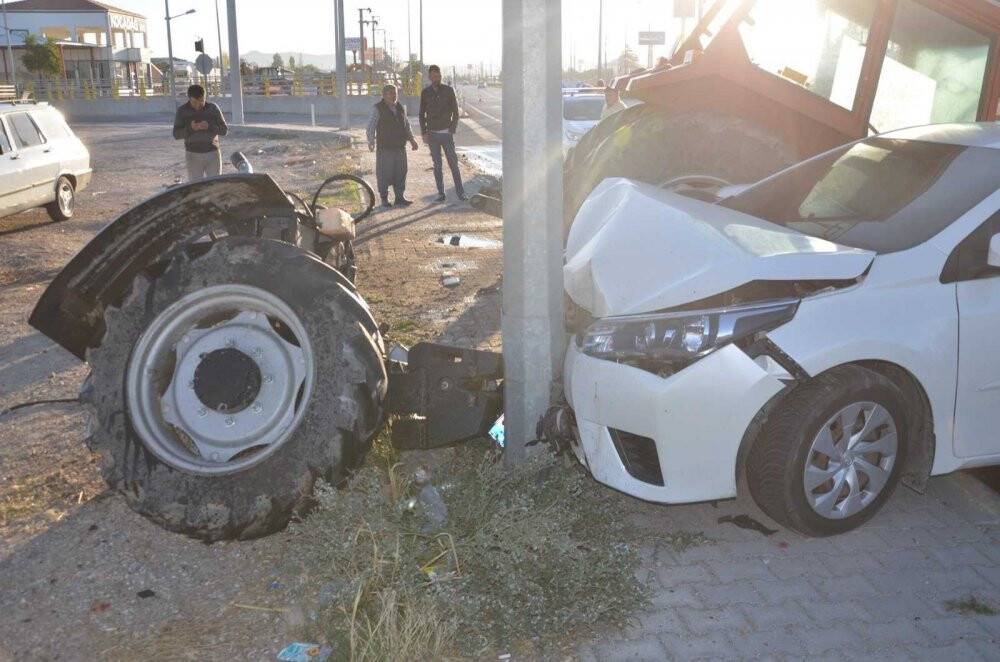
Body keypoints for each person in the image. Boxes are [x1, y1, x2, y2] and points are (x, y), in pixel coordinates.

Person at [419, 64, 467, 203]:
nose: (436, 78)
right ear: (429, 77)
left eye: (438, 76)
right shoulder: (425, 92)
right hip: (432, 135)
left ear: (440, 76)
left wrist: (452, 128)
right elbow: (422, 114)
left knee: (453, 164)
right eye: (433, 76)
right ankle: (441, 193)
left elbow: (455, 112)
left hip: (447, 134)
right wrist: (424, 132)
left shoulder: (448, 90)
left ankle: (461, 192)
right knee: (437, 166)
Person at [367, 84, 419, 208]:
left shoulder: (400, 107)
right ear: (384, 95)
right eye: (390, 93)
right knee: (384, 173)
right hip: (385, 148)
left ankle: (399, 197)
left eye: (395, 93)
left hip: (400, 147)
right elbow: (370, 126)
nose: (394, 95)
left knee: (401, 172)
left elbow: (406, 125)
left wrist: (412, 140)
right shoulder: (378, 108)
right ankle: (384, 199)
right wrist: (371, 142)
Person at [173, 84, 228, 181]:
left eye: (201, 101)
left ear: (205, 97)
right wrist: (191, 128)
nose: (198, 105)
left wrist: (209, 126)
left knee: (214, 186)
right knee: (196, 187)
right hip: (193, 155)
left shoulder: (213, 108)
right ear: (189, 98)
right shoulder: (182, 111)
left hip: (212, 154)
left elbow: (224, 130)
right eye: (195, 102)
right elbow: (176, 134)